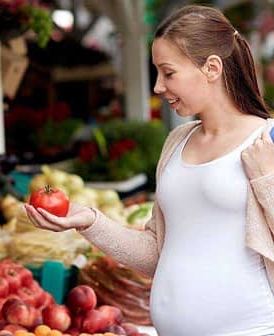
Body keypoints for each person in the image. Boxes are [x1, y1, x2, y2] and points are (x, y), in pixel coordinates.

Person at [25, 4, 274, 336]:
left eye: (168, 73)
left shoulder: (267, 141)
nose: (157, 86)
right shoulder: (177, 141)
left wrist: (267, 179)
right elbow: (157, 252)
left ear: (211, 68)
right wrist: (90, 222)